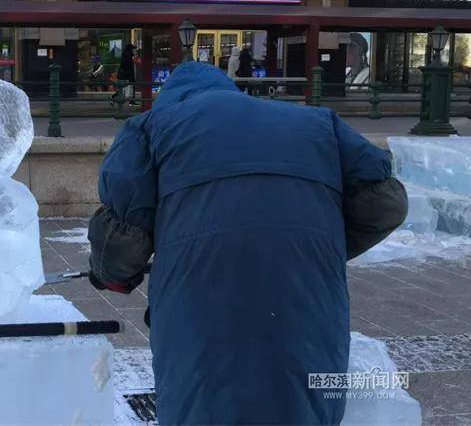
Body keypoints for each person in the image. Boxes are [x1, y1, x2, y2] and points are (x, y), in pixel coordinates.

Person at [87, 62, 407, 425]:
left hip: (198, 302)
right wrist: (320, 245)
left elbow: (122, 244)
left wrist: (108, 274)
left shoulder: (151, 128)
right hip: (307, 296)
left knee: (203, 402)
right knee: (302, 404)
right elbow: (385, 203)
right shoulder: (318, 123)